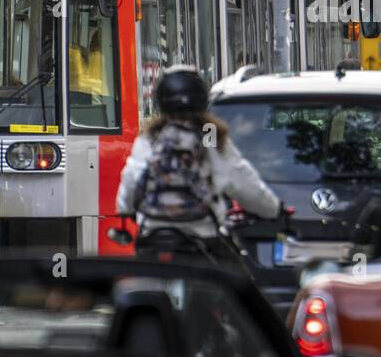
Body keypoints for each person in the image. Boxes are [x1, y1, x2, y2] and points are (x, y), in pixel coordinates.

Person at [115, 66, 283, 242]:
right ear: (202, 98)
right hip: (202, 236)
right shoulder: (209, 132)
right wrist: (274, 209)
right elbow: (241, 179)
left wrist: (125, 209)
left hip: (153, 234)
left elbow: (131, 179)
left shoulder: (151, 136)